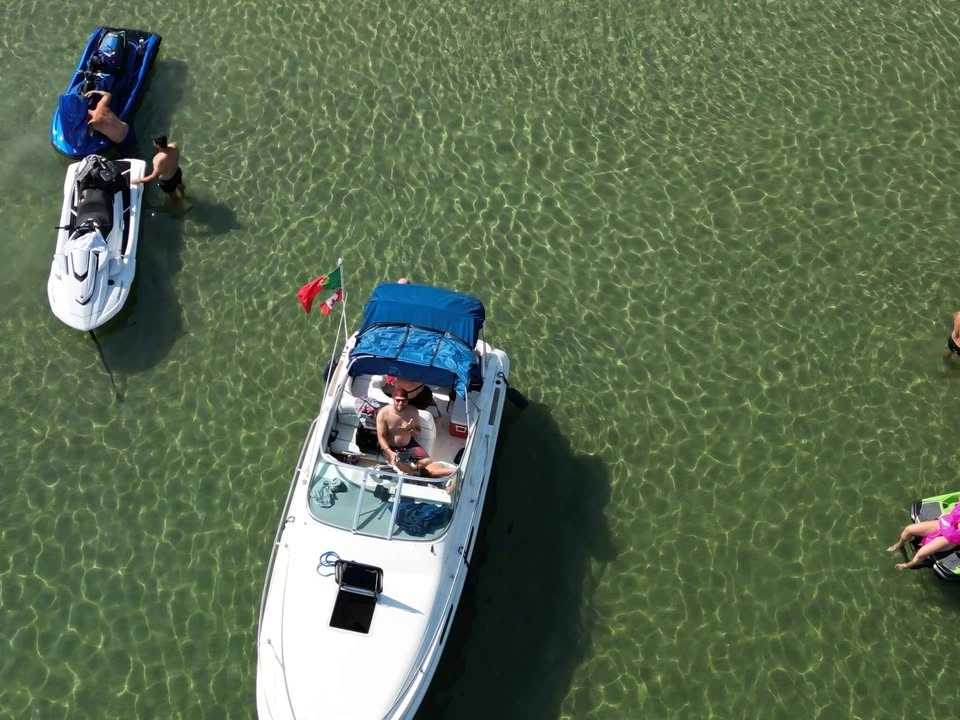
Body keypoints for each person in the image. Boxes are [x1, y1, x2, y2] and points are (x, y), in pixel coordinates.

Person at [375, 387, 452, 479]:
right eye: (398, 400)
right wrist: (390, 452)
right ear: (393, 399)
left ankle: (416, 469)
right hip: (391, 447)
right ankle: (415, 473)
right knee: (397, 463)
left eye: (403, 401)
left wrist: (410, 429)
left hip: (409, 445)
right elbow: (381, 437)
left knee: (428, 461)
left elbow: (417, 434)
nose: (400, 403)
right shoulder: (383, 413)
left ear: (407, 401)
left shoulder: (413, 411)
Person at [887, 503, 960, 570]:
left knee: (922, 552)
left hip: (951, 538)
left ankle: (910, 564)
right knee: (908, 529)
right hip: (945, 523)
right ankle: (900, 543)